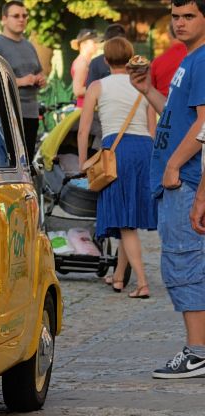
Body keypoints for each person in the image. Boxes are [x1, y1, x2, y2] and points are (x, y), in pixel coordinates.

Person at [129, 0, 205, 379]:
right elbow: (177, 117)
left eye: (189, 16)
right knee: (184, 261)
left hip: (187, 179)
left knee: (184, 262)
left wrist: (174, 164)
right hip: (180, 179)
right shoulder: (187, 60)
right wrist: (146, 91)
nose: (179, 23)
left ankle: (197, 352)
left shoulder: (203, 59)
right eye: (176, 17)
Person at [78, 37, 157, 302]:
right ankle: (120, 277)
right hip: (144, 150)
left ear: (105, 60)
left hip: (116, 150)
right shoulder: (142, 85)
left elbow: (84, 128)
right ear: (131, 57)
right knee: (129, 219)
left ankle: (143, 282)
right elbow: (152, 128)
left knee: (125, 220)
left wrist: (82, 161)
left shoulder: (98, 86)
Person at [0, 1, 46, 162]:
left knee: (27, 161)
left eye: (24, 16)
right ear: (4, 19)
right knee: (10, 162)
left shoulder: (29, 45)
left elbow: (38, 71)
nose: (21, 19)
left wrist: (40, 79)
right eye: (16, 16)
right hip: (6, 114)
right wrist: (19, 81)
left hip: (31, 112)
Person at [151, 23, 188, 97]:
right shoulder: (196, 57)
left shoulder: (157, 62)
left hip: (162, 105)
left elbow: (151, 92)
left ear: (168, 35)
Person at [70, 29, 99, 107]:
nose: (97, 45)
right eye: (94, 42)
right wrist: (101, 87)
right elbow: (78, 91)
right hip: (85, 109)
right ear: (83, 44)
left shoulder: (87, 61)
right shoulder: (82, 63)